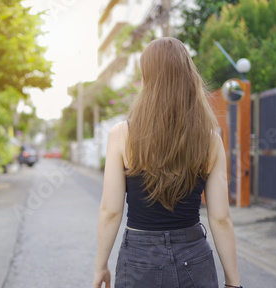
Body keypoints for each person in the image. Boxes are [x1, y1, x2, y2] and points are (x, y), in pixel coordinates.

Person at [92, 37, 241, 288]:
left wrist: (100, 266)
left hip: (140, 259)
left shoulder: (122, 134)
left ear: (146, 77)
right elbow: (220, 218)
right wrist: (233, 282)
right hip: (194, 257)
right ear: (188, 74)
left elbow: (111, 211)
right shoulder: (209, 140)